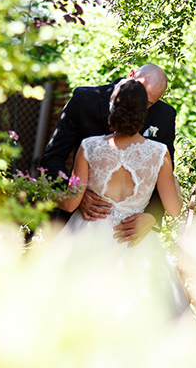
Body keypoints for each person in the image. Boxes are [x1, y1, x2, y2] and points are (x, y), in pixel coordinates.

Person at [55, 79, 188, 318]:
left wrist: (52, 194)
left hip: (87, 235)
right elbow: (175, 209)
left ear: (113, 108)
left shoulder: (90, 147)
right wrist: (174, 185)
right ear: (143, 114)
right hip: (134, 241)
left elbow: (70, 202)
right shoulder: (159, 153)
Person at [40, 64, 176, 244]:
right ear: (130, 74)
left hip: (129, 234)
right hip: (79, 225)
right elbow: (52, 157)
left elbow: (165, 172)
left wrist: (152, 216)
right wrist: (75, 194)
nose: (139, 101)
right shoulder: (84, 100)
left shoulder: (165, 115)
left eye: (149, 103)